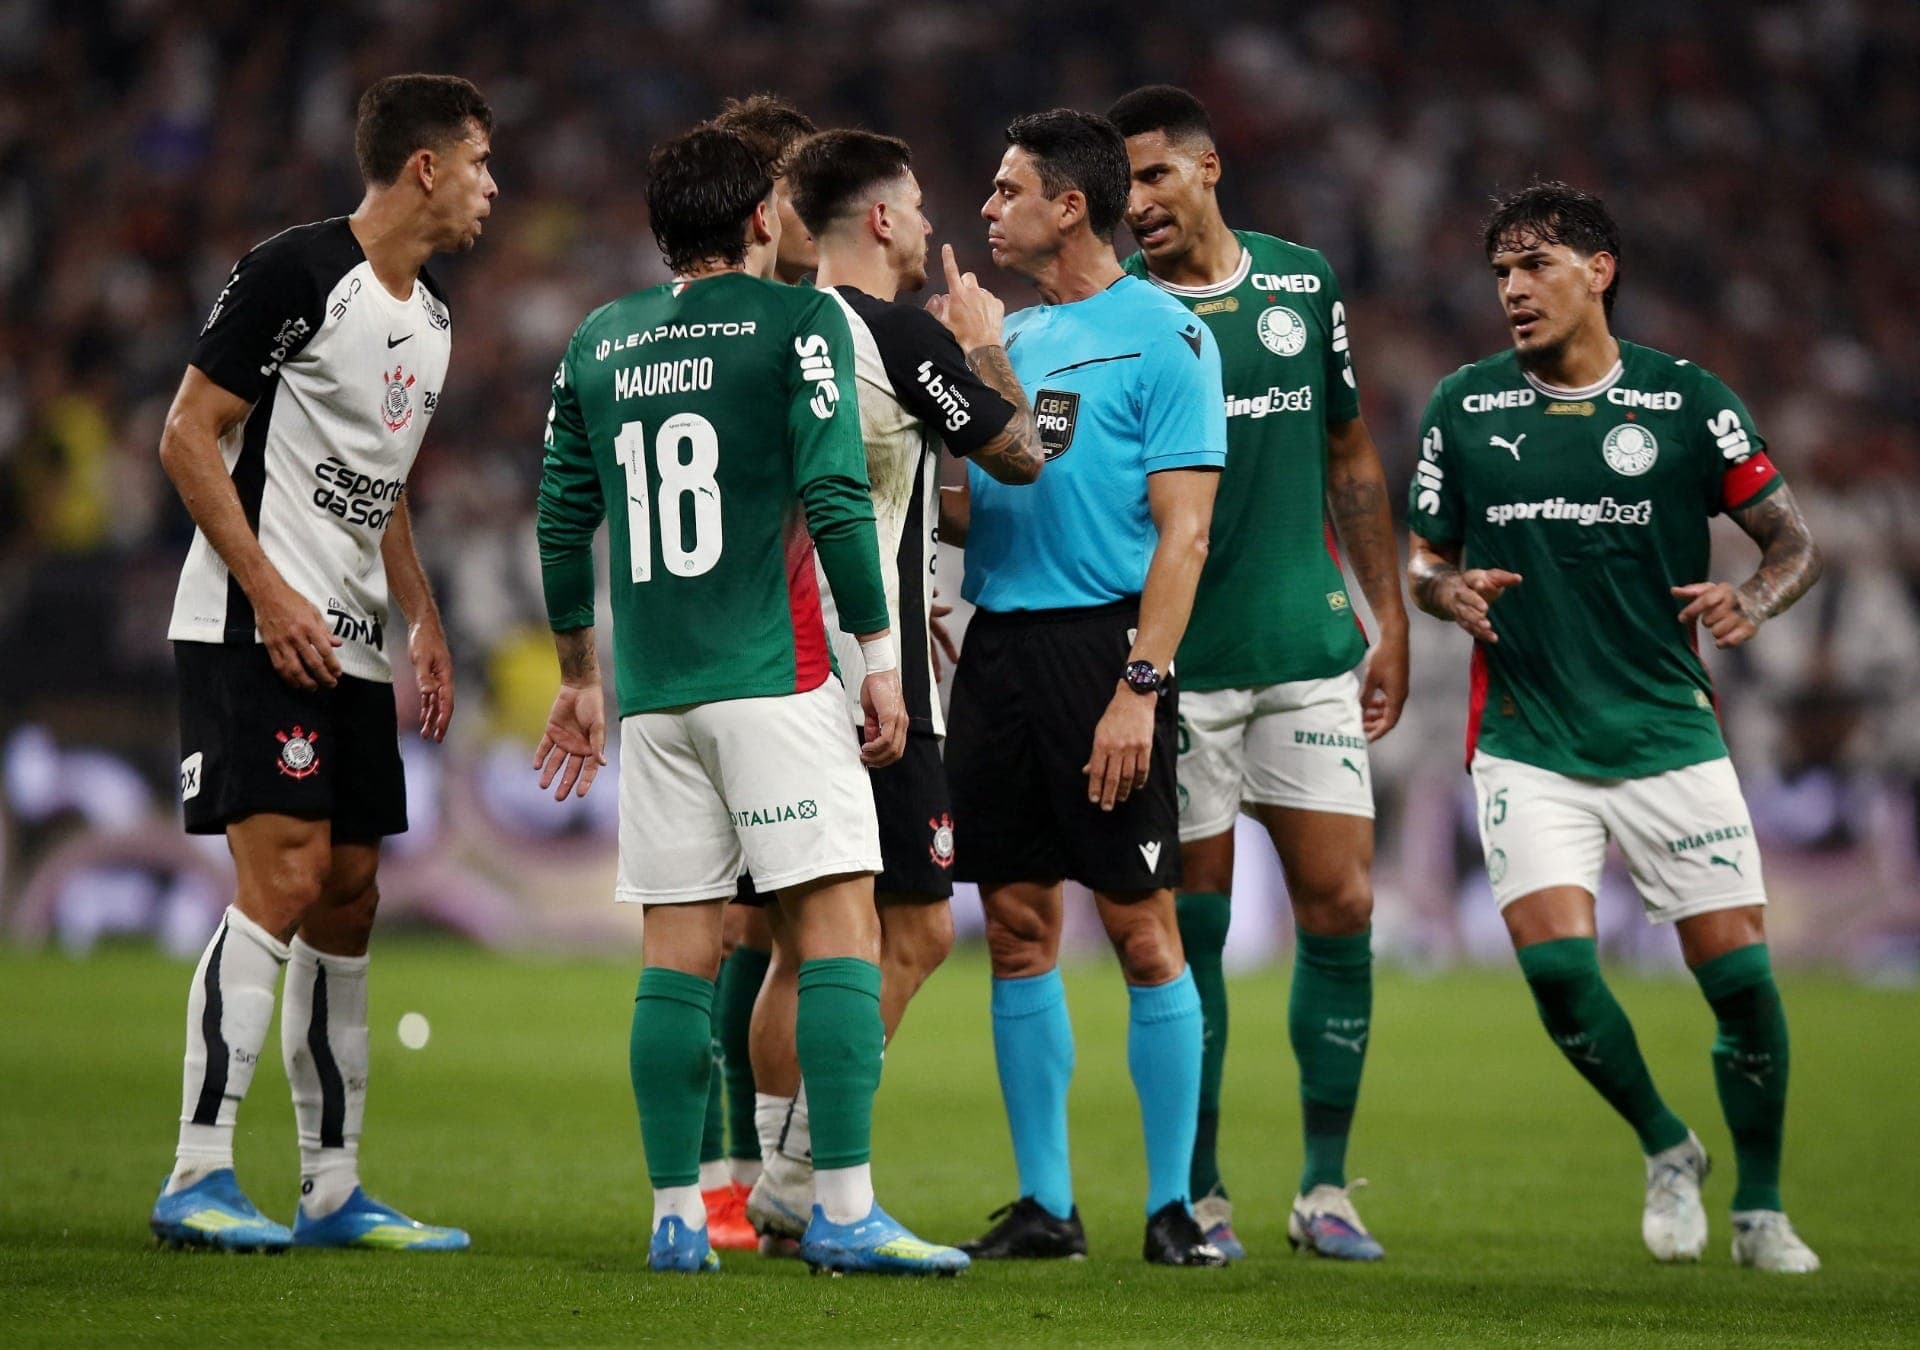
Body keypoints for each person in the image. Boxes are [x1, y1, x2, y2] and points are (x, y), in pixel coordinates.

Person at [532, 123, 967, 1277]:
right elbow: (833, 491)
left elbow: (562, 519)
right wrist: (879, 657)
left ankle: (681, 1214)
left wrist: (579, 674)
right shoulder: (803, 320)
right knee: (837, 931)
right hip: (777, 677)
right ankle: (843, 1208)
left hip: (655, 698)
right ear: (763, 220)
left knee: (675, 953)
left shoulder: (600, 339)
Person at [1405, 181, 1823, 1273]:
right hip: (1529, 738)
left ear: (1600, 271)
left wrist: (1756, 600)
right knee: (1556, 972)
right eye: (1500, 271)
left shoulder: (1689, 404)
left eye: (1533, 265)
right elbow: (1422, 561)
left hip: (1665, 734)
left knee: (1739, 981)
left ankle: (1762, 1206)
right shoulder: (1465, 404)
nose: (1511, 289)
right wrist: (1443, 595)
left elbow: (1792, 544)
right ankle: (1666, 1145)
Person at [149, 74, 495, 1254]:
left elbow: (378, 479)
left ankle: (334, 1187)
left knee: (350, 898)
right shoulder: (296, 273)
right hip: (256, 623)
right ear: (426, 168)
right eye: (482, 164)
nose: (495, 189)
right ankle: (197, 1170)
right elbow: (188, 434)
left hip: (351, 641)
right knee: (286, 878)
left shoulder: (437, 319)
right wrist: (267, 588)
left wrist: (423, 612)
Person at [1108, 84, 1407, 1262]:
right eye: (1124, 189)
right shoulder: (1122, 316)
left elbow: (1347, 446)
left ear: (1208, 168)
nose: (1139, 207)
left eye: (1154, 179)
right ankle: (1203, 1188)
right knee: (1196, 928)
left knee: (1343, 904)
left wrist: (1389, 610)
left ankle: (1326, 1189)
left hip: (1305, 649)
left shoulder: (1301, 283)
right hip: (1180, 668)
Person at [739, 127, 1044, 1243]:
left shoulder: (768, 329)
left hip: (764, 671)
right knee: (914, 933)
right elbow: (1017, 456)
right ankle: (805, 1176)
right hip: (876, 682)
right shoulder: (902, 334)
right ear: (877, 218)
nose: (927, 225)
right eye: (916, 206)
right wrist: (984, 343)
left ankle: (768, 1186)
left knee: (794, 943)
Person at [946, 108, 1228, 1266]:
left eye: (1007, 190)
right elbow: (997, 500)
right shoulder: (1014, 332)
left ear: (1069, 205)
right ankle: (1049, 1207)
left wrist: (1140, 686)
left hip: (1104, 649)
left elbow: (1186, 533)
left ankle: (1174, 1208)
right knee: (1015, 927)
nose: (986, 208)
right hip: (998, 650)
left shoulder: (1164, 337)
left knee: (1141, 927)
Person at [692, 93, 818, 1253]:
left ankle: (749, 1168)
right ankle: (730, 1167)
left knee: (769, 926)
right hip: (746, 649)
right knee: (743, 925)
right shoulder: (745, 329)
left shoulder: (814, 319)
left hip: (793, 651)